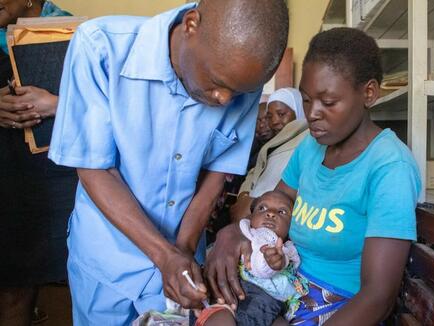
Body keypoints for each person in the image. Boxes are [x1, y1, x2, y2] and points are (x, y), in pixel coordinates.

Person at [48, 0, 289, 324]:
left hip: (184, 258)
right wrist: (165, 256)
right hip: (107, 261)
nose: (224, 100)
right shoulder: (100, 46)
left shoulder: (241, 77)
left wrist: (183, 251)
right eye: (217, 82)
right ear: (190, 25)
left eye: (237, 92)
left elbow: (216, 177)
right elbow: (96, 168)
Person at [206, 27, 421, 325]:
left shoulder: (389, 167)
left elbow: (378, 297)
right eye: (307, 100)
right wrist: (232, 232)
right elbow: (275, 204)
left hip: (336, 309)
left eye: (328, 102)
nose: (313, 114)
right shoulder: (311, 146)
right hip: (284, 289)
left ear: (369, 93)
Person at [0, 1, 74, 325]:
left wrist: (56, 105)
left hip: (55, 176)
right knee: (13, 285)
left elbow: (103, 105)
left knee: (69, 281)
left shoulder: (74, 33)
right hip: (7, 173)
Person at [194, 190, 307, 326]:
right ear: (251, 216)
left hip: (269, 309)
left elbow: (290, 266)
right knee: (222, 320)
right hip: (232, 300)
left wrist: (281, 260)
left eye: (282, 212)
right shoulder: (246, 235)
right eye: (262, 208)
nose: (270, 213)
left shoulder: (288, 250)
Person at [231, 87, 309, 221]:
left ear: (299, 111)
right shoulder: (273, 143)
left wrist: (249, 203)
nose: (274, 121)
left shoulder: (306, 140)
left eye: (281, 114)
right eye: (269, 116)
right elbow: (254, 173)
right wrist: (244, 196)